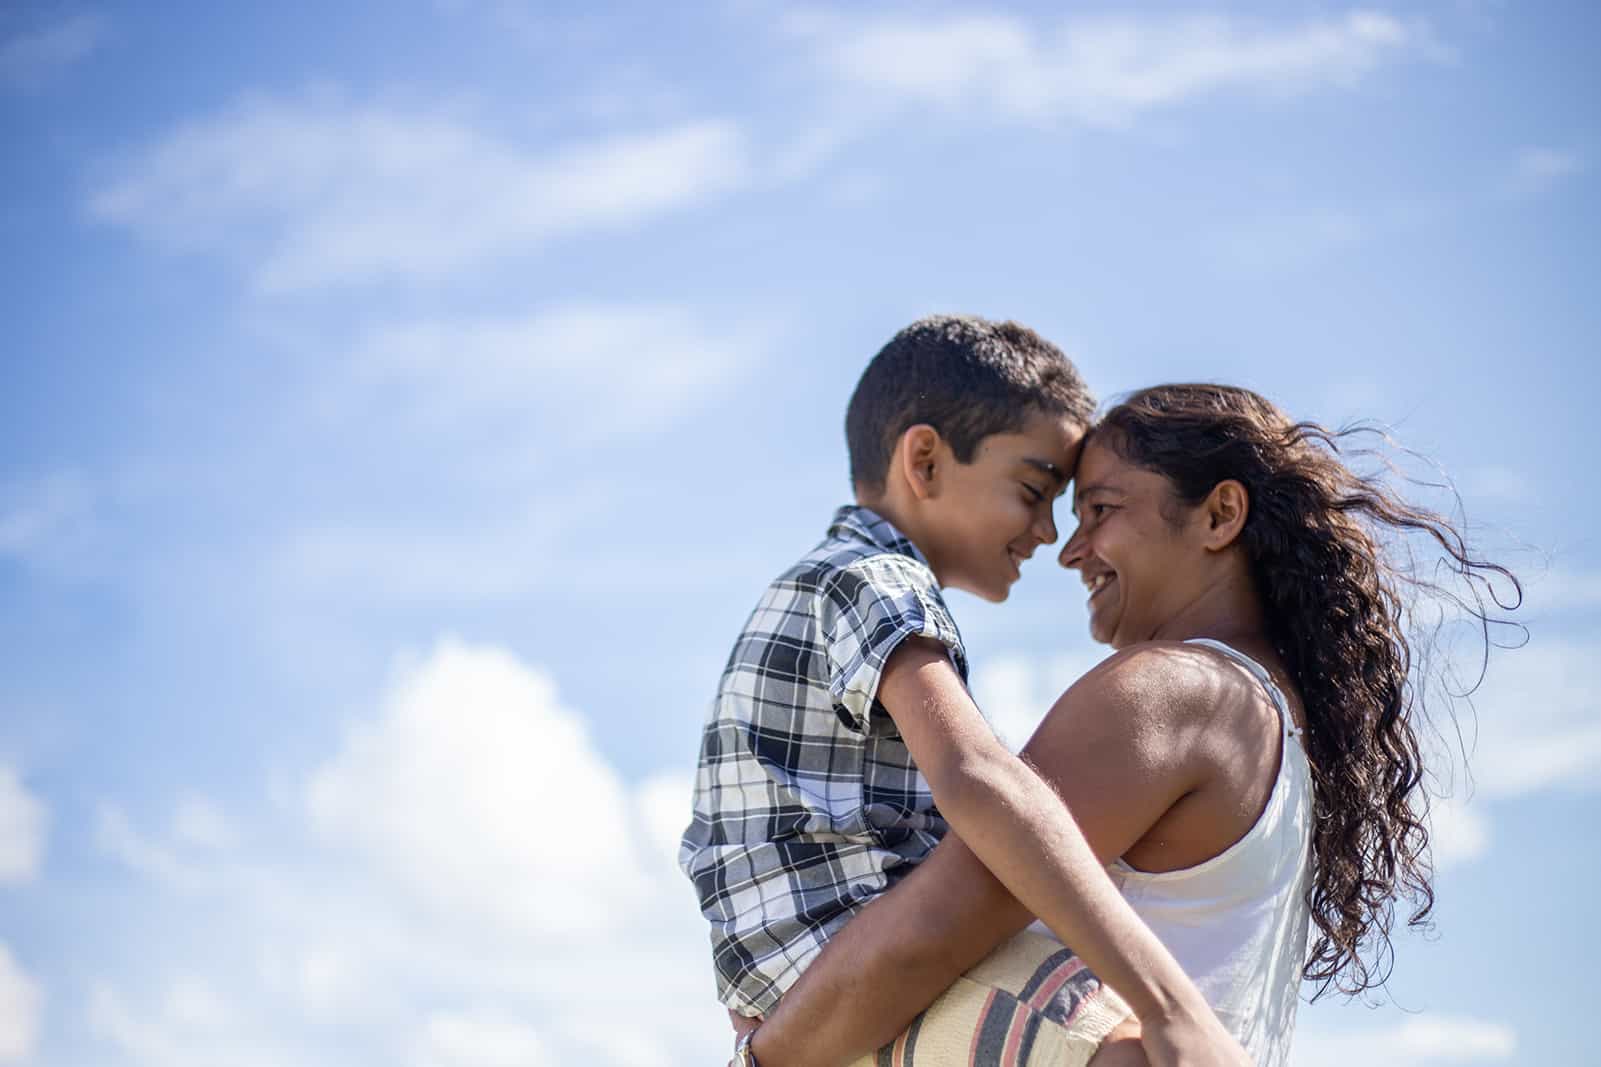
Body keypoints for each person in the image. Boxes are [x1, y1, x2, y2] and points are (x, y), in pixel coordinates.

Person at [740, 383, 1518, 1067]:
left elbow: (935, 927)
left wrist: (766, 1050)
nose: (1070, 549)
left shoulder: (1168, 694)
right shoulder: (1268, 715)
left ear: (1218, 514)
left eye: (1101, 511)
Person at [679, 319, 1249, 1067]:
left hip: (798, 964)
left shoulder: (837, 582)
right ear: (924, 460)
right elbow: (975, 776)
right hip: (842, 942)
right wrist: (1168, 1004)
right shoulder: (874, 582)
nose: (1049, 533)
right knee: (1140, 1052)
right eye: (1032, 490)